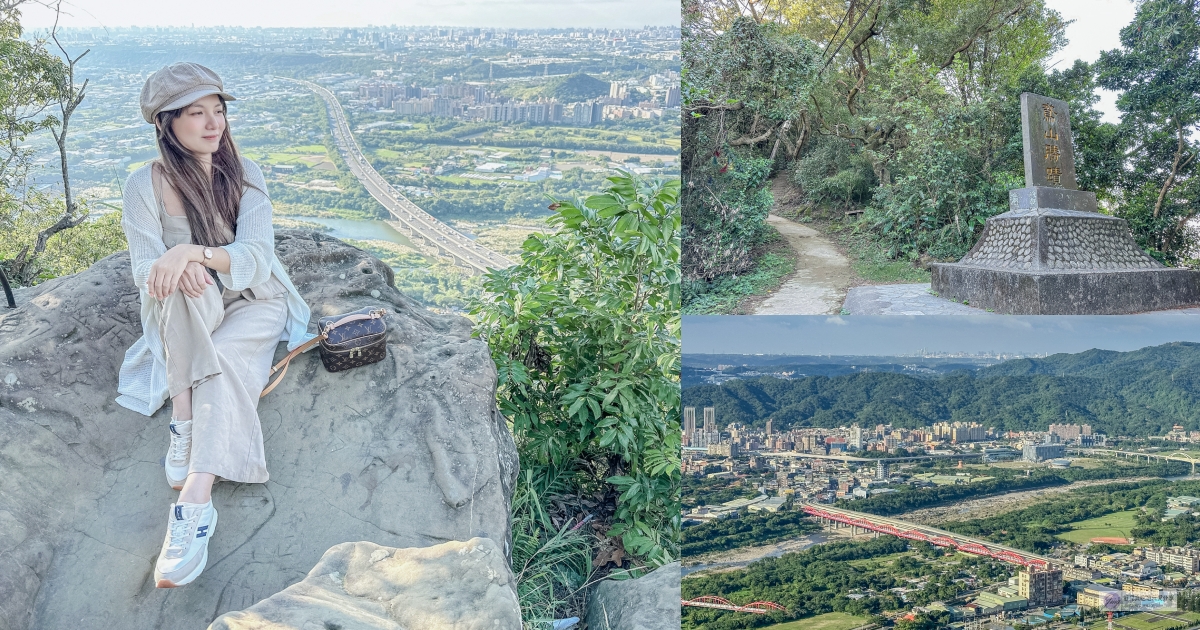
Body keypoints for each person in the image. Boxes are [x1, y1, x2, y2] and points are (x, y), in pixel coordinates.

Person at [114, 62, 319, 588]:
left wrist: (190, 252)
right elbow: (144, 268)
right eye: (197, 113)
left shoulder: (244, 175)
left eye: (219, 111)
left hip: (254, 302)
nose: (214, 124)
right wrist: (180, 265)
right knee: (181, 283)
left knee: (223, 360)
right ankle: (184, 420)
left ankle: (194, 503)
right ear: (166, 123)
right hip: (191, 307)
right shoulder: (145, 185)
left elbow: (255, 257)